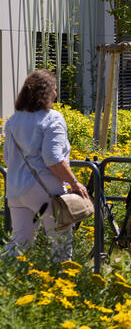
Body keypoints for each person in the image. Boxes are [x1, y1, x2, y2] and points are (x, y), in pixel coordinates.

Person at [2, 69, 88, 260]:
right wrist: (74, 183)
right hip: (46, 191)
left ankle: (6, 283)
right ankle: (60, 283)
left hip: (16, 191)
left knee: (19, 243)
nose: (56, 94)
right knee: (61, 244)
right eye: (54, 89)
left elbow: (7, 159)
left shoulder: (13, 120)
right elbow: (53, 159)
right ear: (46, 92)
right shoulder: (52, 118)